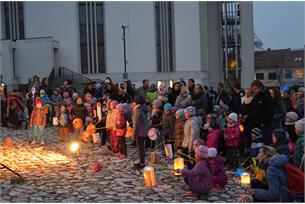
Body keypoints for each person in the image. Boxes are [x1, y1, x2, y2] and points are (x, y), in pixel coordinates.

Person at [249, 80, 275, 145]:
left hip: (264, 125)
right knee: (256, 141)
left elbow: (270, 111)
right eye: (253, 89)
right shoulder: (256, 97)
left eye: (256, 89)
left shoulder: (267, 97)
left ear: (260, 87)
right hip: (255, 124)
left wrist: (264, 122)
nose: (254, 91)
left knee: (264, 141)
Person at [132, 96, 149, 170]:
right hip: (144, 130)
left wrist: (134, 134)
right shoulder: (143, 108)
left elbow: (136, 124)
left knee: (140, 148)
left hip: (140, 132)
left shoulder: (137, 110)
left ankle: (142, 163)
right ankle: (141, 161)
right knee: (141, 147)